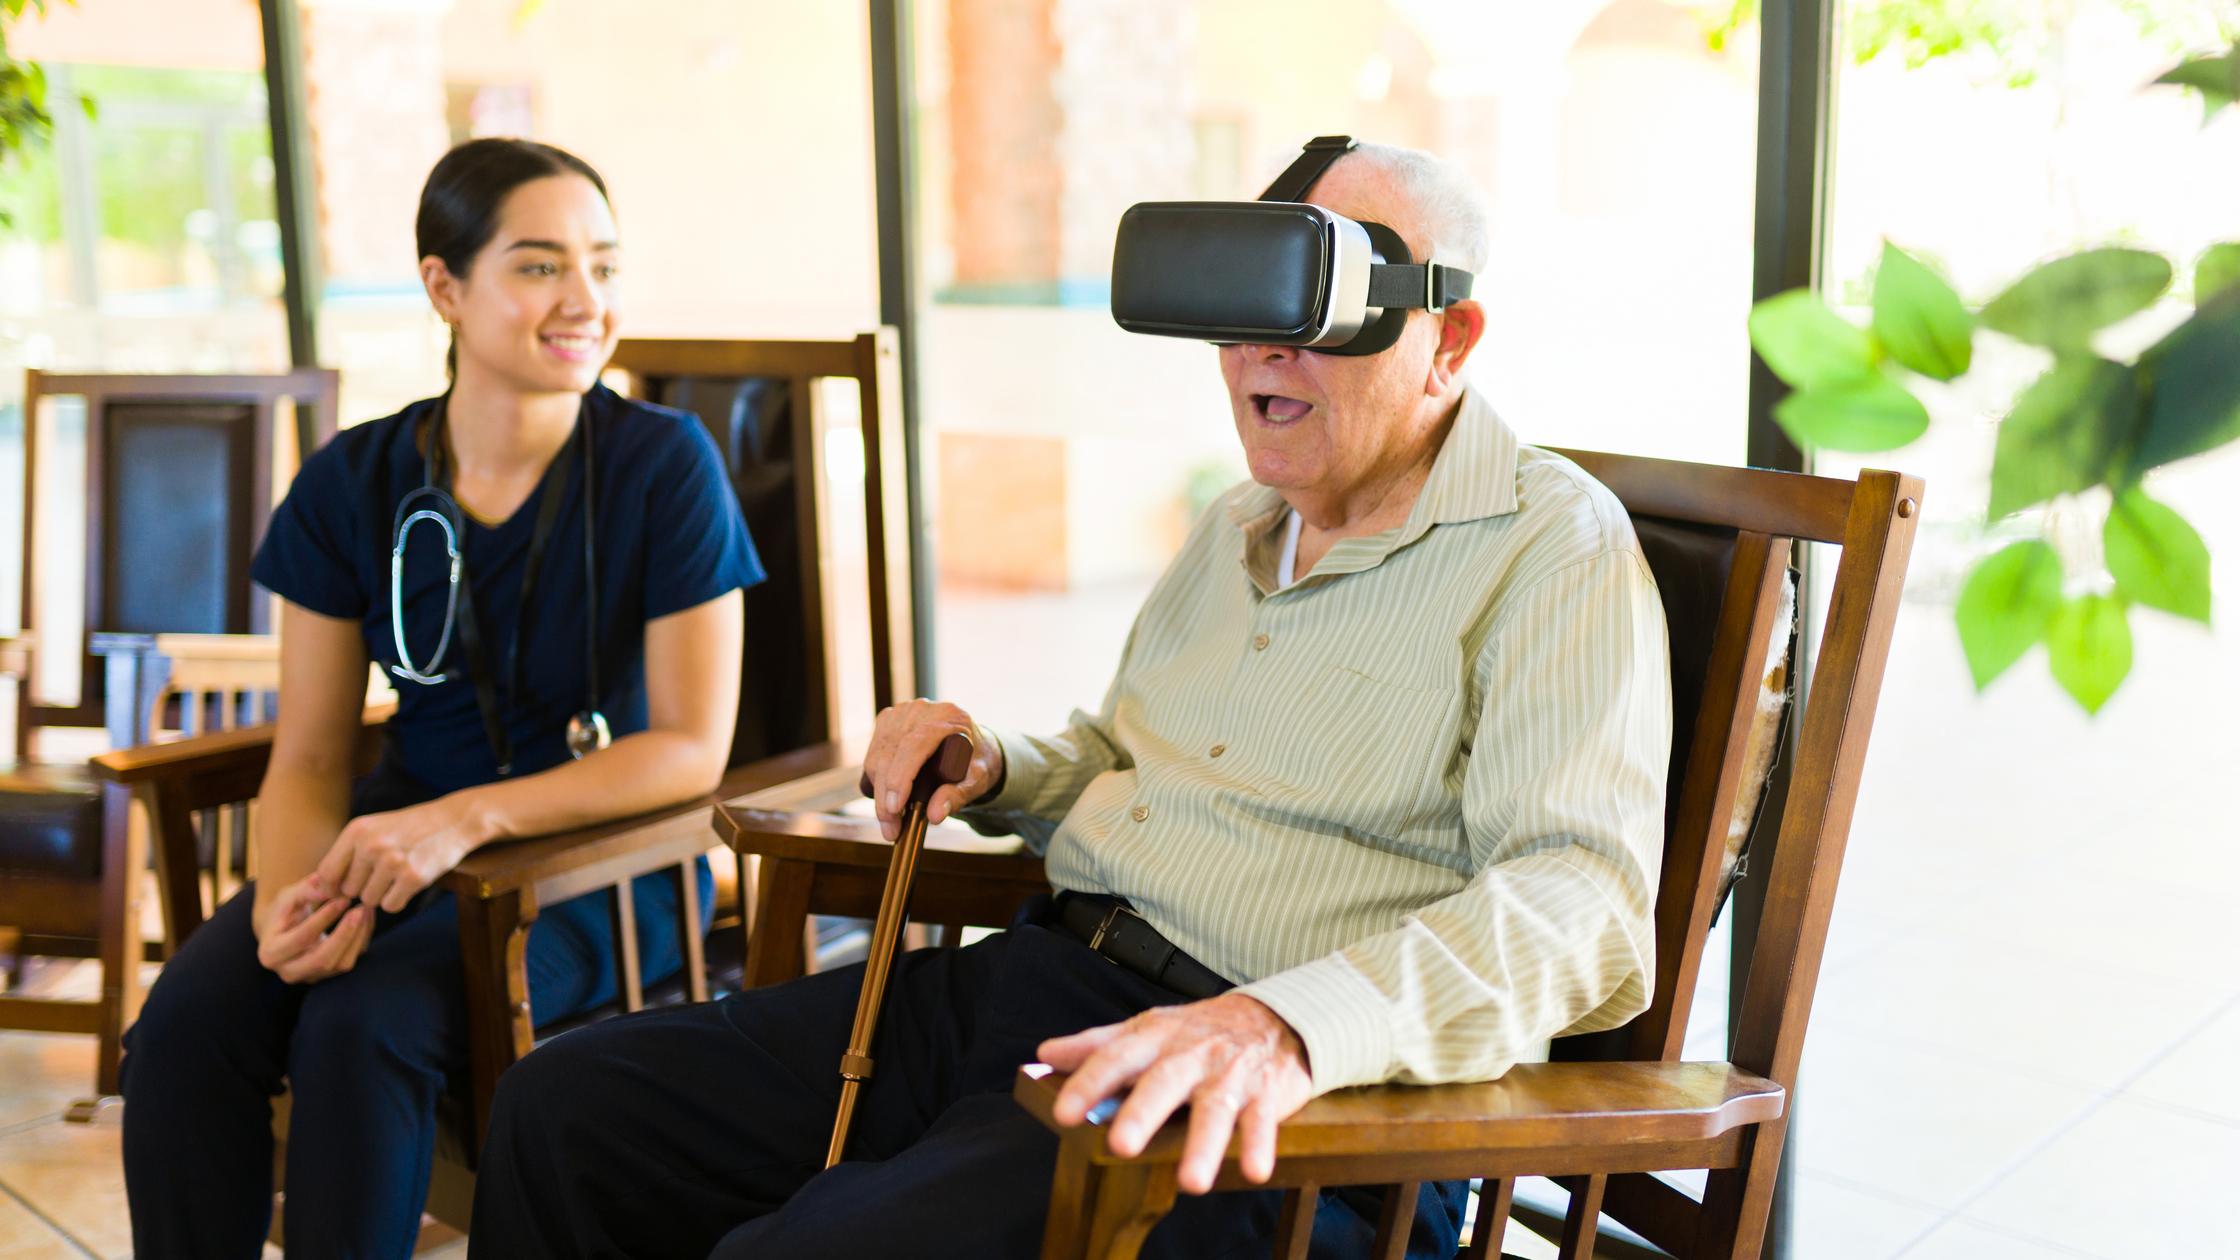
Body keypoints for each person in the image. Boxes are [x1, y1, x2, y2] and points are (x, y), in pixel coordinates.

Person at [468, 142, 1671, 1260]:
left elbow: (1582, 908)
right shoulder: (1239, 525)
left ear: (1447, 336)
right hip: (1043, 987)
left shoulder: (1549, 547)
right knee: (561, 1114)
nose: (1263, 353)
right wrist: (994, 764)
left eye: (1313, 310)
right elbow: (1127, 758)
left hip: (1278, 1116)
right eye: (1242, 315)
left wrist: (1281, 1028)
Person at [120, 137, 764, 1259]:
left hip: (600, 863)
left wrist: (462, 818)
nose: (583, 300)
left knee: (362, 1024)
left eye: (603, 266)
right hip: (392, 853)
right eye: (538, 266)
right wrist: (293, 911)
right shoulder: (351, 481)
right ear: (444, 287)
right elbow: (313, 758)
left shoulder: (665, 466)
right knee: (184, 1025)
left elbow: (689, 750)